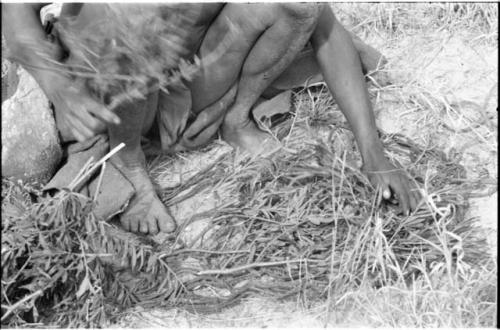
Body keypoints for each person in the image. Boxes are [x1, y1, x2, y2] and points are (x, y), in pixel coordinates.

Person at [2, 3, 420, 235]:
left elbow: (327, 33)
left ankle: (234, 118)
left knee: (300, 4)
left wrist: (374, 155)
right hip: (111, 86)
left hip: (185, 77)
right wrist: (62, 90)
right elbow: (16, 17)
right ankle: (129, 168)